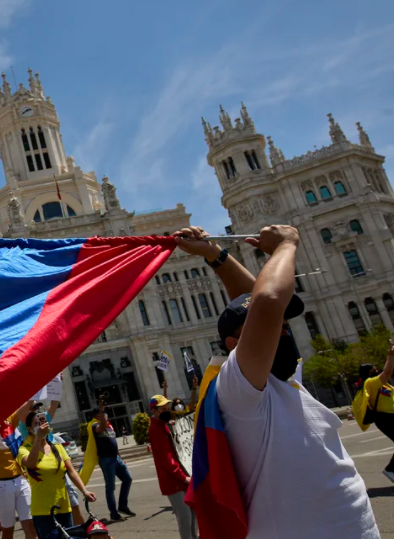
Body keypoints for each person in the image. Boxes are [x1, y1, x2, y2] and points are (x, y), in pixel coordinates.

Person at [176, 225, 379, 538]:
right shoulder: (237, 387)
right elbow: (267, 301)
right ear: (233, 345)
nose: (282, 333)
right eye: (274, 329)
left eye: (284, 327)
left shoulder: (280, 380)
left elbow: (258, 303)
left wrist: (216, 256)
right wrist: (287, 244)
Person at [17, 411, 95, 539]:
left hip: (64, 507)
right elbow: (30, 463)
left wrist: (84, 491)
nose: (41, 426)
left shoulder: (58, 447)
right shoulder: (24, 449)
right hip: (42, 511)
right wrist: (38, 438)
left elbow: (71, 471)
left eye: (42, 422)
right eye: (36, 424)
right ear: (30, 430)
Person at [0, 409, 36, 539]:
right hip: (1, 484)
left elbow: (26, 405)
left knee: (31, 526)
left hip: (20, 480)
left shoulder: (10, 419)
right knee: (8, 530)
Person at [148, 395, 197, 539]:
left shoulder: (167, 425)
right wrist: (184, 477)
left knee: (194, 517)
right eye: (164, 409)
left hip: (184, 476)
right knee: (185, 520)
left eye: (168, 408)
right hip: (174, 482)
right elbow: (167, 459)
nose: (167, 410)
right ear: (155, 411)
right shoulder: (156, 429)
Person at [352, 341, 394, 483]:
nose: (377, 370)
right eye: (374, 369)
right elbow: (387, 372)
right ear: (369, 372)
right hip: (384, 418)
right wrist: (390, 355)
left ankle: (391, 469)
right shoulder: (370, 383)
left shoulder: (379, 383)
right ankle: (390, 469)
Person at [90, 402, 133, 521]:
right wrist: (103, 413)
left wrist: (120, 457)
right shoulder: (95, 425)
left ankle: (123, 506)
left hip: (116, 458)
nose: (105, 414)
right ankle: (114, 514)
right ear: (97, 415)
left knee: (127, 479)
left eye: (105, 411)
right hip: (106, 459)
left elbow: (113, 442)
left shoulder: (109, 426)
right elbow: (101, 428)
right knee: (110, 487)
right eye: (102, 412)